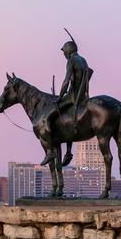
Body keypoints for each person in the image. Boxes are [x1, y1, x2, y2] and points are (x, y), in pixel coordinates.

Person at [40, 37, 93, 166]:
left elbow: (66, 81)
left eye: (64, 51)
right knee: (66, 118)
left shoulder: (71, 60)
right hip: (83, 97)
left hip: (72, 97)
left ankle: (50, 151)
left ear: (68, 50)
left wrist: (60, 96)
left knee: (47, 117)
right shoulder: (83, 60)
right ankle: (68, 152)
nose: (63, 54)